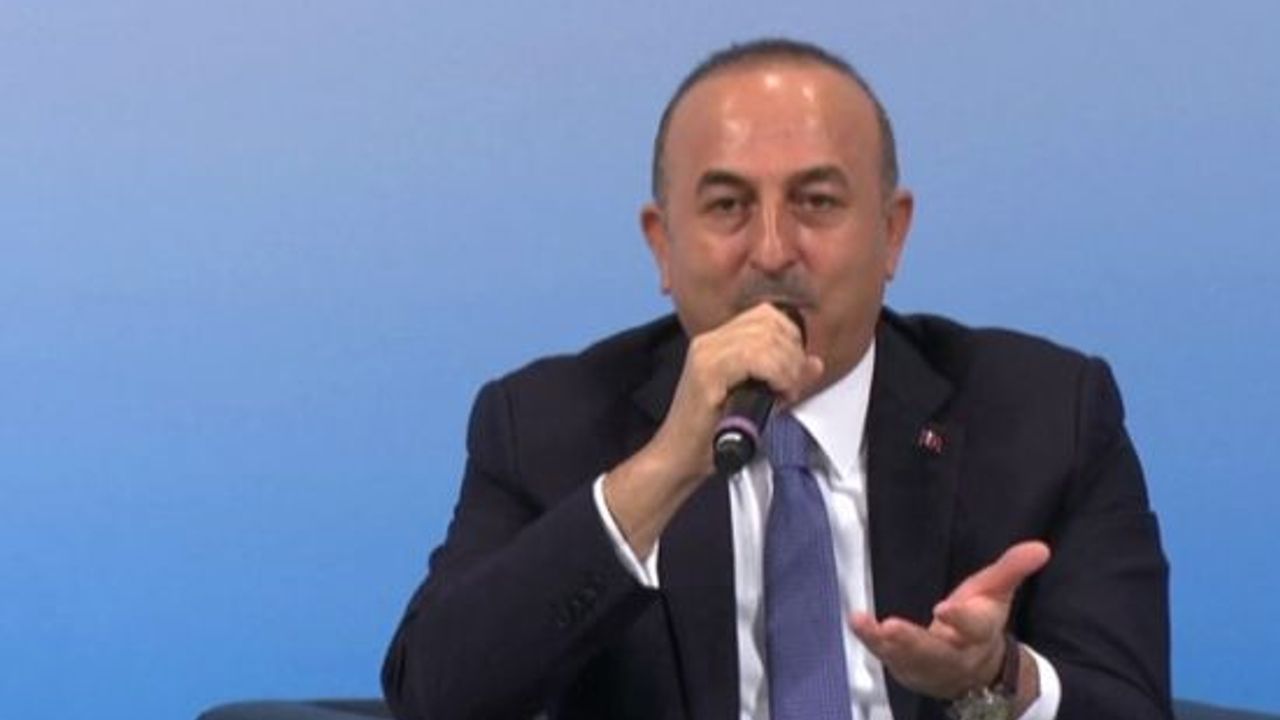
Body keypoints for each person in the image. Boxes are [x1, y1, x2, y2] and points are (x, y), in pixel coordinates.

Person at [382, 38, 1171, 720]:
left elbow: (1132, 705)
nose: (770, 251)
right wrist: (662, 470)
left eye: (816, 202)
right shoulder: (543, 425)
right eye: (728, 205)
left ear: (892, 234)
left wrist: (997, 676)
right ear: (662, 246)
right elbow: (433, 696)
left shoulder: (1048, 415)